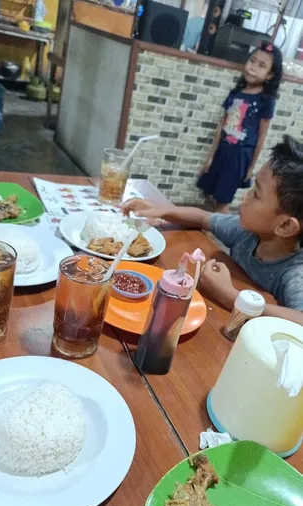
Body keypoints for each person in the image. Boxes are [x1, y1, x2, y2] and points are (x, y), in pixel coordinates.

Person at [122, 135, 303, 325]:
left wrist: (232, 297)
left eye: (256, 194)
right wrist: (164, 210)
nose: (244, 198)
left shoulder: (295, 273)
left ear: (285, 226)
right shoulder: (247, 233)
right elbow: (203, 218)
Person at [197, 41, 283, 213]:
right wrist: (211, 156)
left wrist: (251, 167)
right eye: (252, 61)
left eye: (261, 65)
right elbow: (222, 126)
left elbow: (262, 135)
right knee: (209, 192)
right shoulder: (235, 93)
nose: (252, 68)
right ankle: (214, 225)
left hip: (239, 157)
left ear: (269, 75)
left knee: (223, 201)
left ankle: (221, 234)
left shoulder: (265, 100)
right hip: (222, 150)